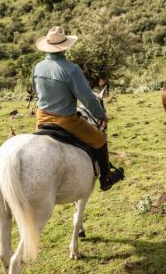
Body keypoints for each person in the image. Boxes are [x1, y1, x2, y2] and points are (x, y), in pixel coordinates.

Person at [32, 26, 125, 191]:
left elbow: (36, 92)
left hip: (41, 119)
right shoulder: (71, 69)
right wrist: (101, 115)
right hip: (67, 121)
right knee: (100, 140)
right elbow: (88, 99)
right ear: (65, 47)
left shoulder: (37, 68)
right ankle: (106, 178)